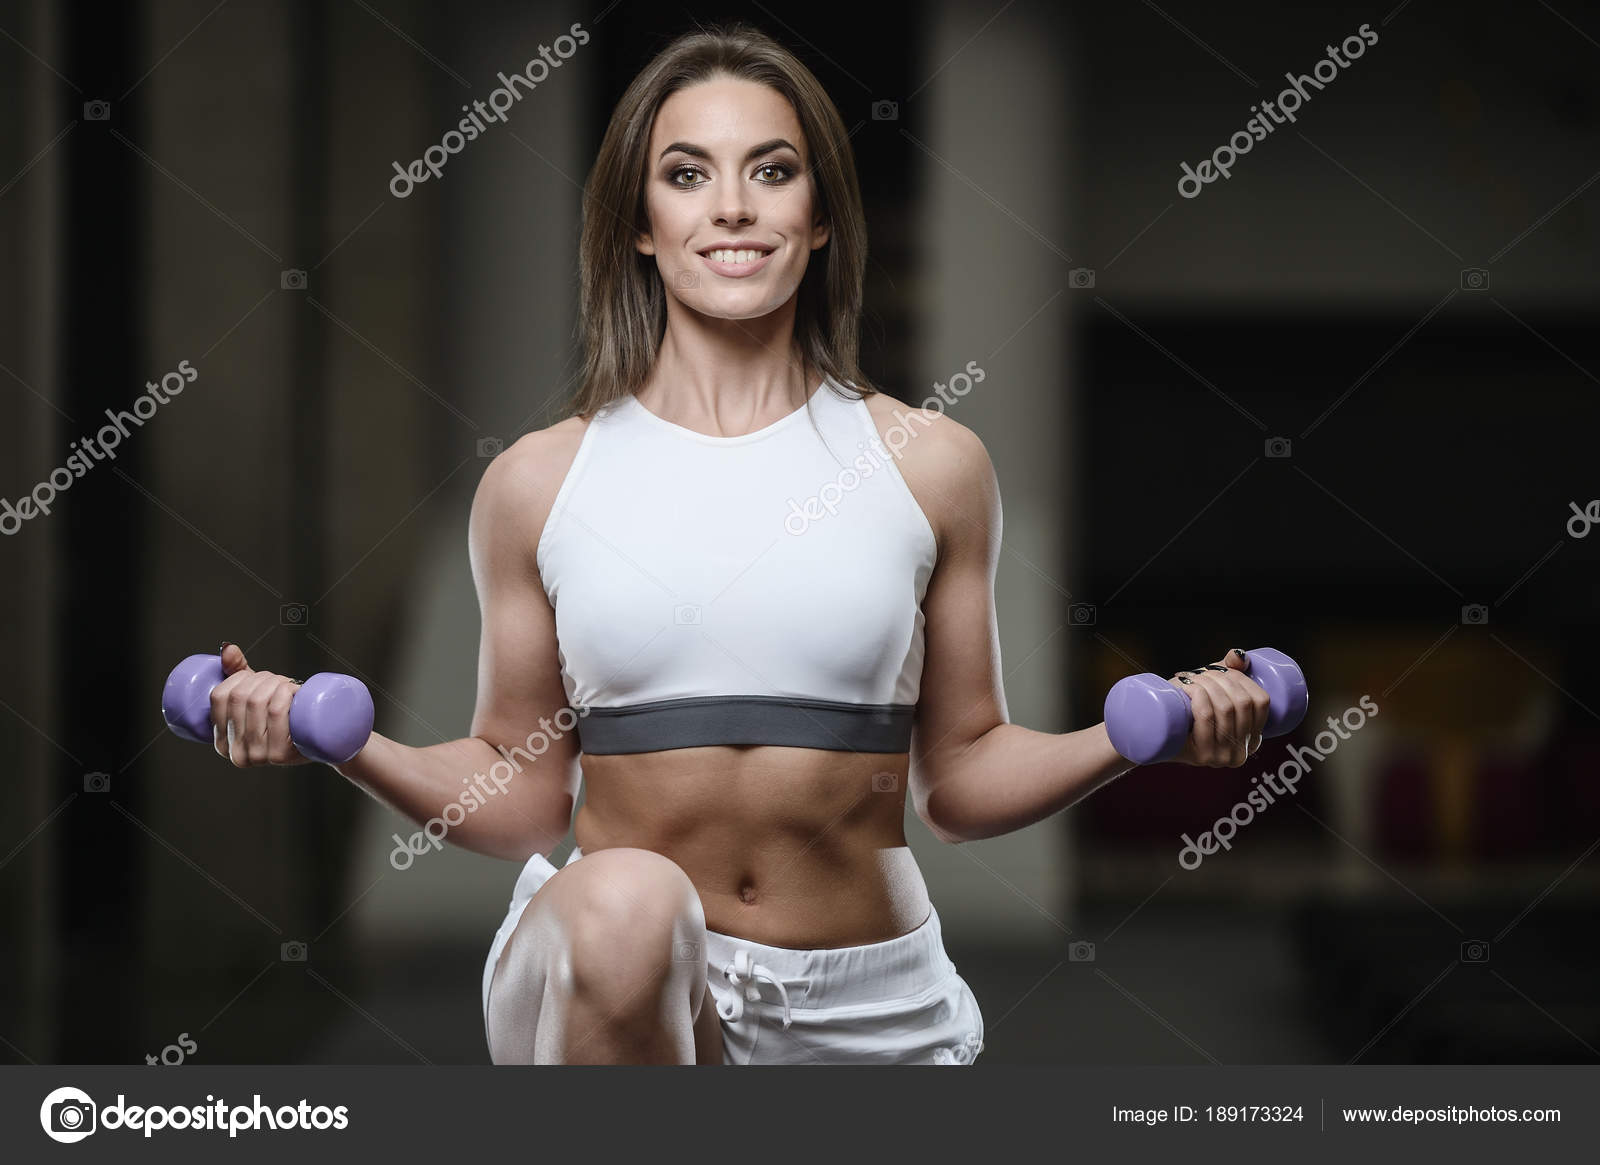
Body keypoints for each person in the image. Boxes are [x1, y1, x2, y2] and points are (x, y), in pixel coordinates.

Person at [206, 23, 1269, 1065]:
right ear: (637, 221)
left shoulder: (930, 463)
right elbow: (521, 790)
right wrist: (338, 739)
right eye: (685, 174)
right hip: (617, 972)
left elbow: (960, 780)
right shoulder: (537, 480)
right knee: (626, 900)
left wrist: (1145, 732)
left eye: (770, 170)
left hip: (868, 999)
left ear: (818, 220)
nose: (731, 206)